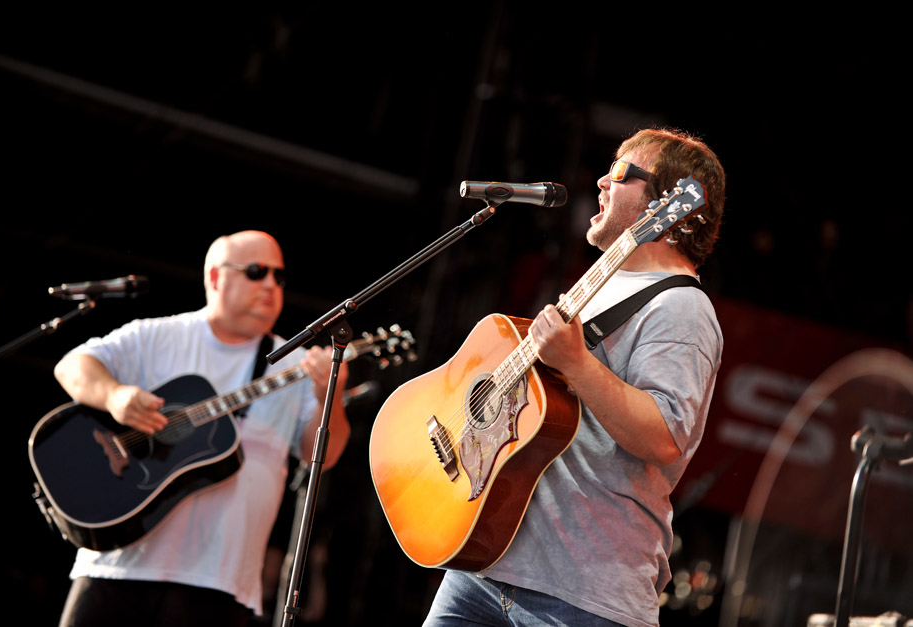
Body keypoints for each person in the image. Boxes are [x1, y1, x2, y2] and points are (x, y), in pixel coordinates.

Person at [423, 127, 726, 627]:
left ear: (668, 207)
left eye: (622, 172)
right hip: (487, 562)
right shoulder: (599, 284)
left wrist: (577, 363)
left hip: (583, 594)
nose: (603, 182)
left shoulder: (682, 308)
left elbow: (666, 437)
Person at [54, 230, 350, 626]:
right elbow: (72, 365)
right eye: (256, 271)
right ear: (214, 277)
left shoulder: (297, 366)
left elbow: (323, 456)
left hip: (221, 583)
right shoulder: (158, 336)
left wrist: (329, 395)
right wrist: (114, 397)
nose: (269, 285)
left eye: (278, 277)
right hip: (117, 565)